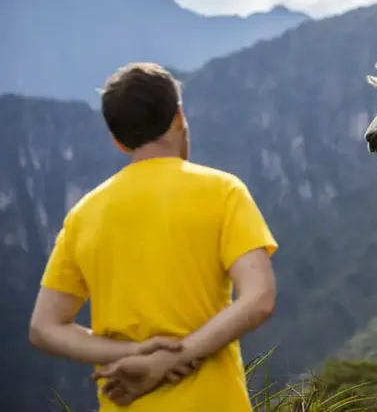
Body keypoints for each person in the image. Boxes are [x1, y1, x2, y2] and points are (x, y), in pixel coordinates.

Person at [29, 62, 278, 411]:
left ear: (117, 141)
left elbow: (44, 327)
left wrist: (134, 352)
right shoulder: (223, 192)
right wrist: (177, 356)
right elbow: (259, 298)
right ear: (179, 117)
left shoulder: (83, 215)